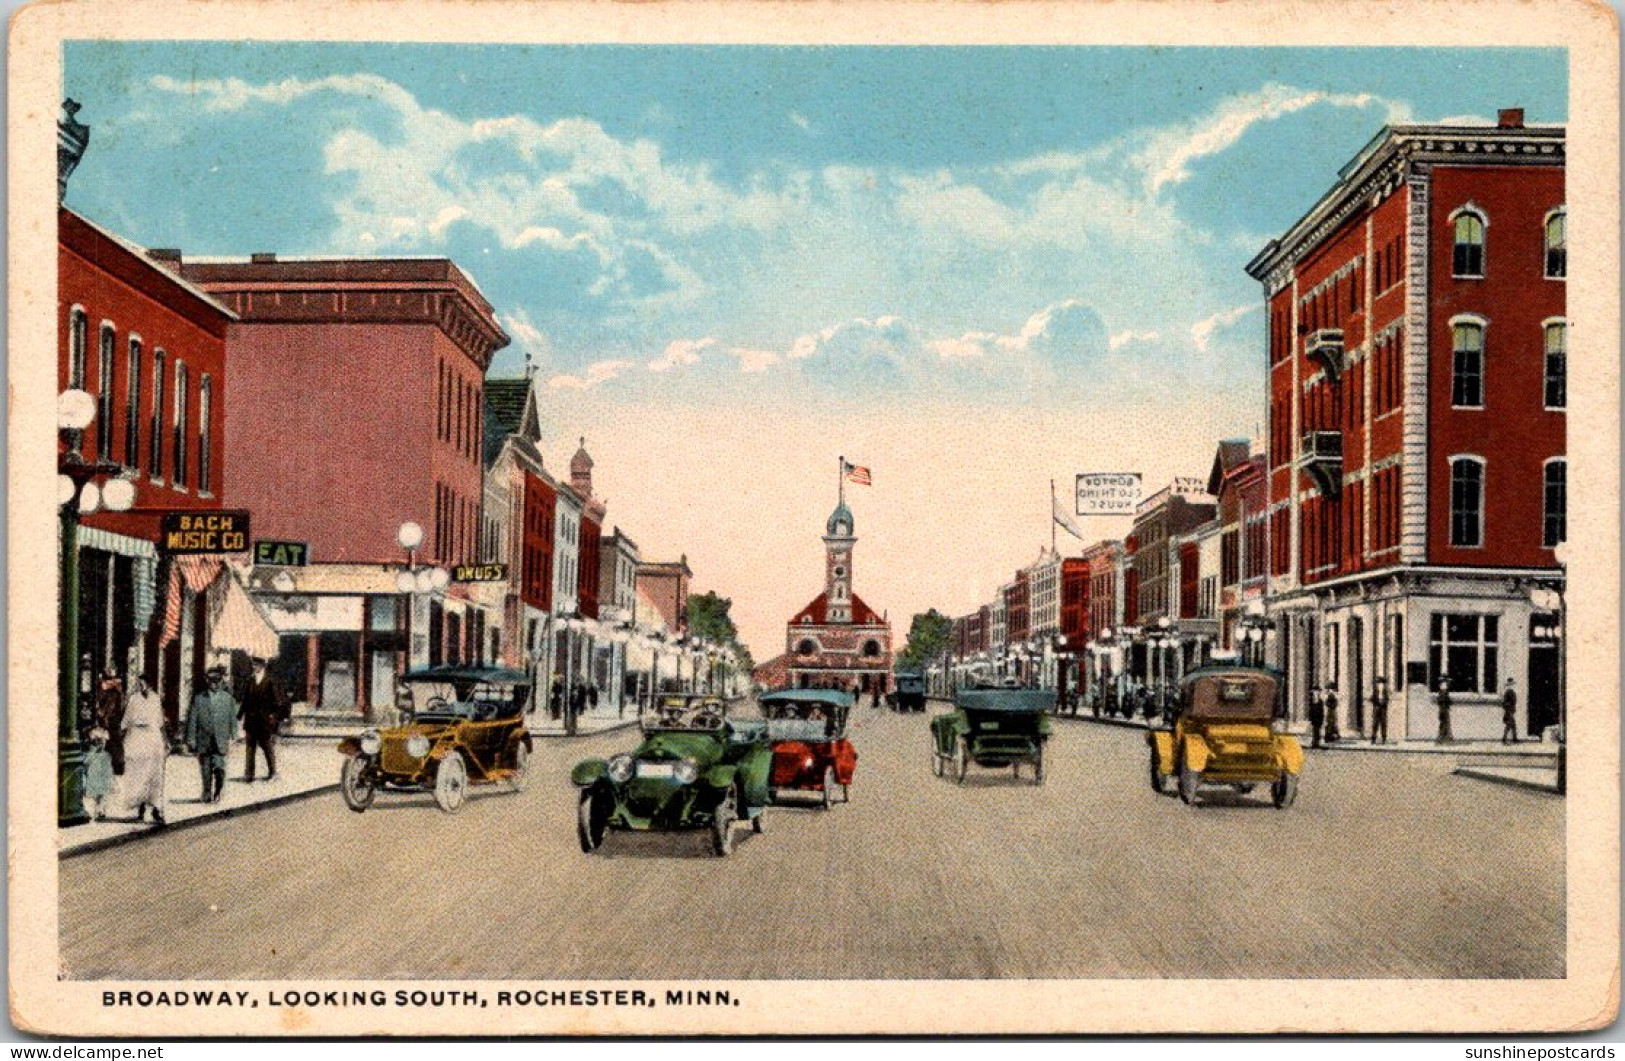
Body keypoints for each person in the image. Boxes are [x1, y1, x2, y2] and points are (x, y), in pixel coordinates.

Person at [185, 665, 238, 803]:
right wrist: (191, 738)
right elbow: (192, 719)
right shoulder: (199, 698)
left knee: (219, 768)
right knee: (206, 768)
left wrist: (234, 735)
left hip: (220, 739)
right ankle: (207, 792)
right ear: (208, 681)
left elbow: (232, 718)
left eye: (218, 681)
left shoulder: (228, 699)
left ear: (221, 681)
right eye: (212, 681)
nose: (215, 684)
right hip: (204, 739)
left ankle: (218, 791)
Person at [121, 673, 167, 825]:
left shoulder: (155, 699)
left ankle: (156, 809)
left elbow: (160, 721)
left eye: (143, 684)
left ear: (150, 685)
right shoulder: (134, 699)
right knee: (139, 773)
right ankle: (140, 808)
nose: (140, 687)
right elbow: (127, 720)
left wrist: (165, 740)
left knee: (155, 774)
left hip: (153, 738)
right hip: (138, 737)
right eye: (138, 684)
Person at [239, 656, 287, 782]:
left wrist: (274, 715)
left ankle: (273, 773)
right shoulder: (250, 680)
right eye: (253, 665)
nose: (254, 667)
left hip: (265, 720)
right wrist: (239, 716)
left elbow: (278, 701)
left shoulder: (270, 681)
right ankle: (249, 774)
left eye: (256, 665)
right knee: (250, 747)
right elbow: (245, 700)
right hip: (251, 719)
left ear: (263, 666)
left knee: (266, 746)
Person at [92, 665, 127, 776]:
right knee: (110, 744)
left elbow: (119, 706)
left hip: (112, 721)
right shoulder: (104, 690)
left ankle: (117, 766)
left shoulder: (116, 691)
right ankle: (113, 766)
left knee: (114, 744)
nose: (111, 682)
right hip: (108, 721)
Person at [83, 728, 114, 821]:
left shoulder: (106, 756)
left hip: (103, 775)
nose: (102, 744)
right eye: (99, 741)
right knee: (96, 793)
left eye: (103, 742)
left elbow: (108, 768)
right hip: (94, 775)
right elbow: (86, 763)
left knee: (103, 792)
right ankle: (98, 809)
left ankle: (101, 809)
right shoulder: (91, 754)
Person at [1370, 676, 1390, 745]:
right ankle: (1373, 739)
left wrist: (1383, 702)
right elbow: (1372, 698)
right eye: (1379, 683)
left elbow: (1387, 699)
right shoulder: (1375, 690)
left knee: (1383, 724)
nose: (1380, 684)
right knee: (1375, 724)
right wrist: (1376, 702)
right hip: (1376, 708)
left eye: (1381, 683)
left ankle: (1383, 739)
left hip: (1383, 709)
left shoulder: (1385, 690)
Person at [1435, 676, 1453, 744]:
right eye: (1445, 684)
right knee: (1444, 724)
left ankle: (1443, 738)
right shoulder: (1443, 693)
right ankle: (1441, 739)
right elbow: (1443, 701)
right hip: (1443, 710)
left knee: (1443, 724)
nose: (1447, 685)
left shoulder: (1442, 692)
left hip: (1443, 710)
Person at [1501, 677, 1519, 745]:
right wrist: (1508, 709)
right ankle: (1505, 739)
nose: (1512, 685)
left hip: (1511, 711)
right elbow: (1504, 703)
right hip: (1509, 711)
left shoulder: (1511, 692)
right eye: (1511, 684)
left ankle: (1514, 738)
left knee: (1513, 725)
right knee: (1509, 725)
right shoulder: (1508, 692)